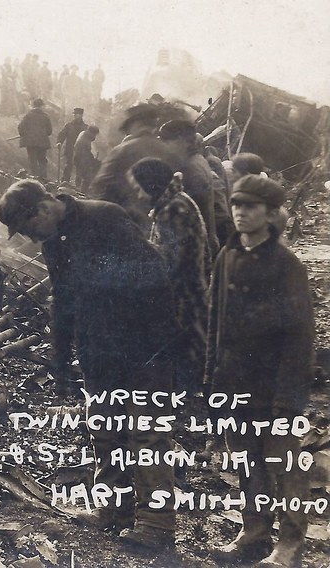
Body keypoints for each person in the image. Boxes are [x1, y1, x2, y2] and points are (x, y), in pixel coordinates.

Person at [0, 179, 178, 548]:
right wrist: (60, 359)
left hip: (143, 346)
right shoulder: (54, 242)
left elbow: (154, 275)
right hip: (99, 350)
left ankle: (157, 526)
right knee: (105, 429)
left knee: (146, 432)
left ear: (44, 209)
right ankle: (113, 509)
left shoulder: (104, 217)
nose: (32, 240)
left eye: (31, 230)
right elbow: (61, 301)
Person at [206, 174, 315, 567]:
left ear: (271, 214)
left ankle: (289, 545)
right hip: (236, 383)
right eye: (236, 205)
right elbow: (214, 324)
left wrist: (288, 399)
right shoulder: (226, 255)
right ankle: (253, 533)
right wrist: (211, 382)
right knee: (246, 461)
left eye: (250, 206)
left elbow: (300, 337)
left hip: (274, 386)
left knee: (283, 464)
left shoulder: (287, 266)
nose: (240, 213)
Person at [130, 158, 208, 392]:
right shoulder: (175, 202)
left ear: (151, 184)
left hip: (182, 287)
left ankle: (188, 386)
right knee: (191, 333)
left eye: (139, 187)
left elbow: (171, 258)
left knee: (185, 334)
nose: (138, 193)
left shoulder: (173, 209)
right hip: (189, 283)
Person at [89, 103, 182, 228]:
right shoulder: (170, 153)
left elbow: (100, 187)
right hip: (158, 226)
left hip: (123, 224)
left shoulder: (122, 150)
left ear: (136, 124)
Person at [157, 120, 218, 264]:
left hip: (193, 249)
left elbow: (189, 215)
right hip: (202, 242)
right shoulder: (197, 161)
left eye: (165, 141)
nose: (162, 146)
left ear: (180, 140)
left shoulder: (190, 170)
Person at [17, 98, 52, 179]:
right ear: (41, 106)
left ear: (34, 106)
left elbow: (20, 128)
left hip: (31, 143)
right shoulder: (46, 117)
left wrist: (24, 135)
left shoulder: (28, 115)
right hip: (42, 143)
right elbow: (49, 131)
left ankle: (34, 178)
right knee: (42, 160)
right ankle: (44, 179)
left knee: (32, 160)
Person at [55, 107, 86, 183]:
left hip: (81, 150)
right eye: (74, 114)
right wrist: (59, 142)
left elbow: (88, 139)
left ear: (81, 115)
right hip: (70, 149)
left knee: (79, 167)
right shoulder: (68, 125)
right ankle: (65, 181)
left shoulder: (85, 127)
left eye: (77, 114)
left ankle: (78, 184)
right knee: (69, 165)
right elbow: (62, 135)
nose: (75, 116)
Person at [73, 125, 100, 193]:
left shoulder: (84, 135)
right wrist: (93, 161)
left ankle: (82, 192)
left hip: (79, 159)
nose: (95, 137)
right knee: (88, 177)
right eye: (95, 134)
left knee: (85, 177)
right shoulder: (85, 140)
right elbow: (85, 153)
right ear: (91, 133)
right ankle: (83, 193)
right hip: (82, 160)